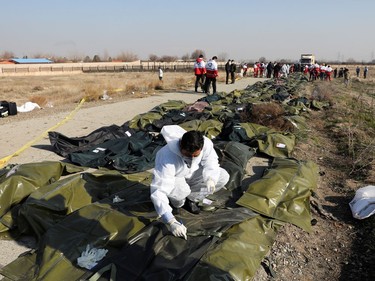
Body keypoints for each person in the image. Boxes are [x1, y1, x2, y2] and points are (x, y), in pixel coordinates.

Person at [150, 125, 230, 239]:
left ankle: (192, 199)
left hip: (192, 172)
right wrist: (170, 220)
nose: (192, 158)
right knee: (182, 192)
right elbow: (159, 189)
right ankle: (178, 203)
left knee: (222, 176)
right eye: (187, 155)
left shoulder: (205, 144)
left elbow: (211, 162)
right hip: (176, 177)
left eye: (195, 155)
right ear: (181, 146)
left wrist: (210, 179)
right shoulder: (166, 156)